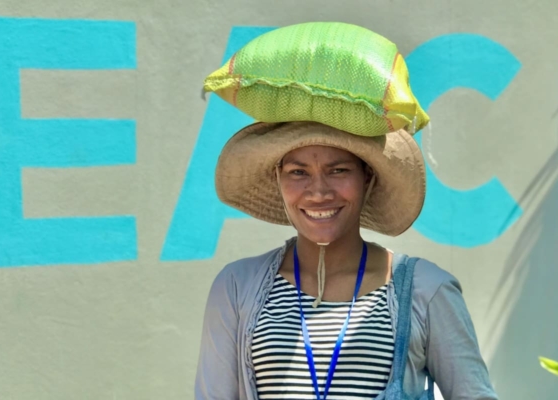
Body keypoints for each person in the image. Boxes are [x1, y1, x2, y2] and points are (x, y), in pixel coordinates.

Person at [194, 121, 498, 400]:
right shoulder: (236, 287)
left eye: (338, 170)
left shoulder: (427, 290)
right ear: (278, 178)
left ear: (367, 178)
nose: (318, 192)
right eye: (298, 172)